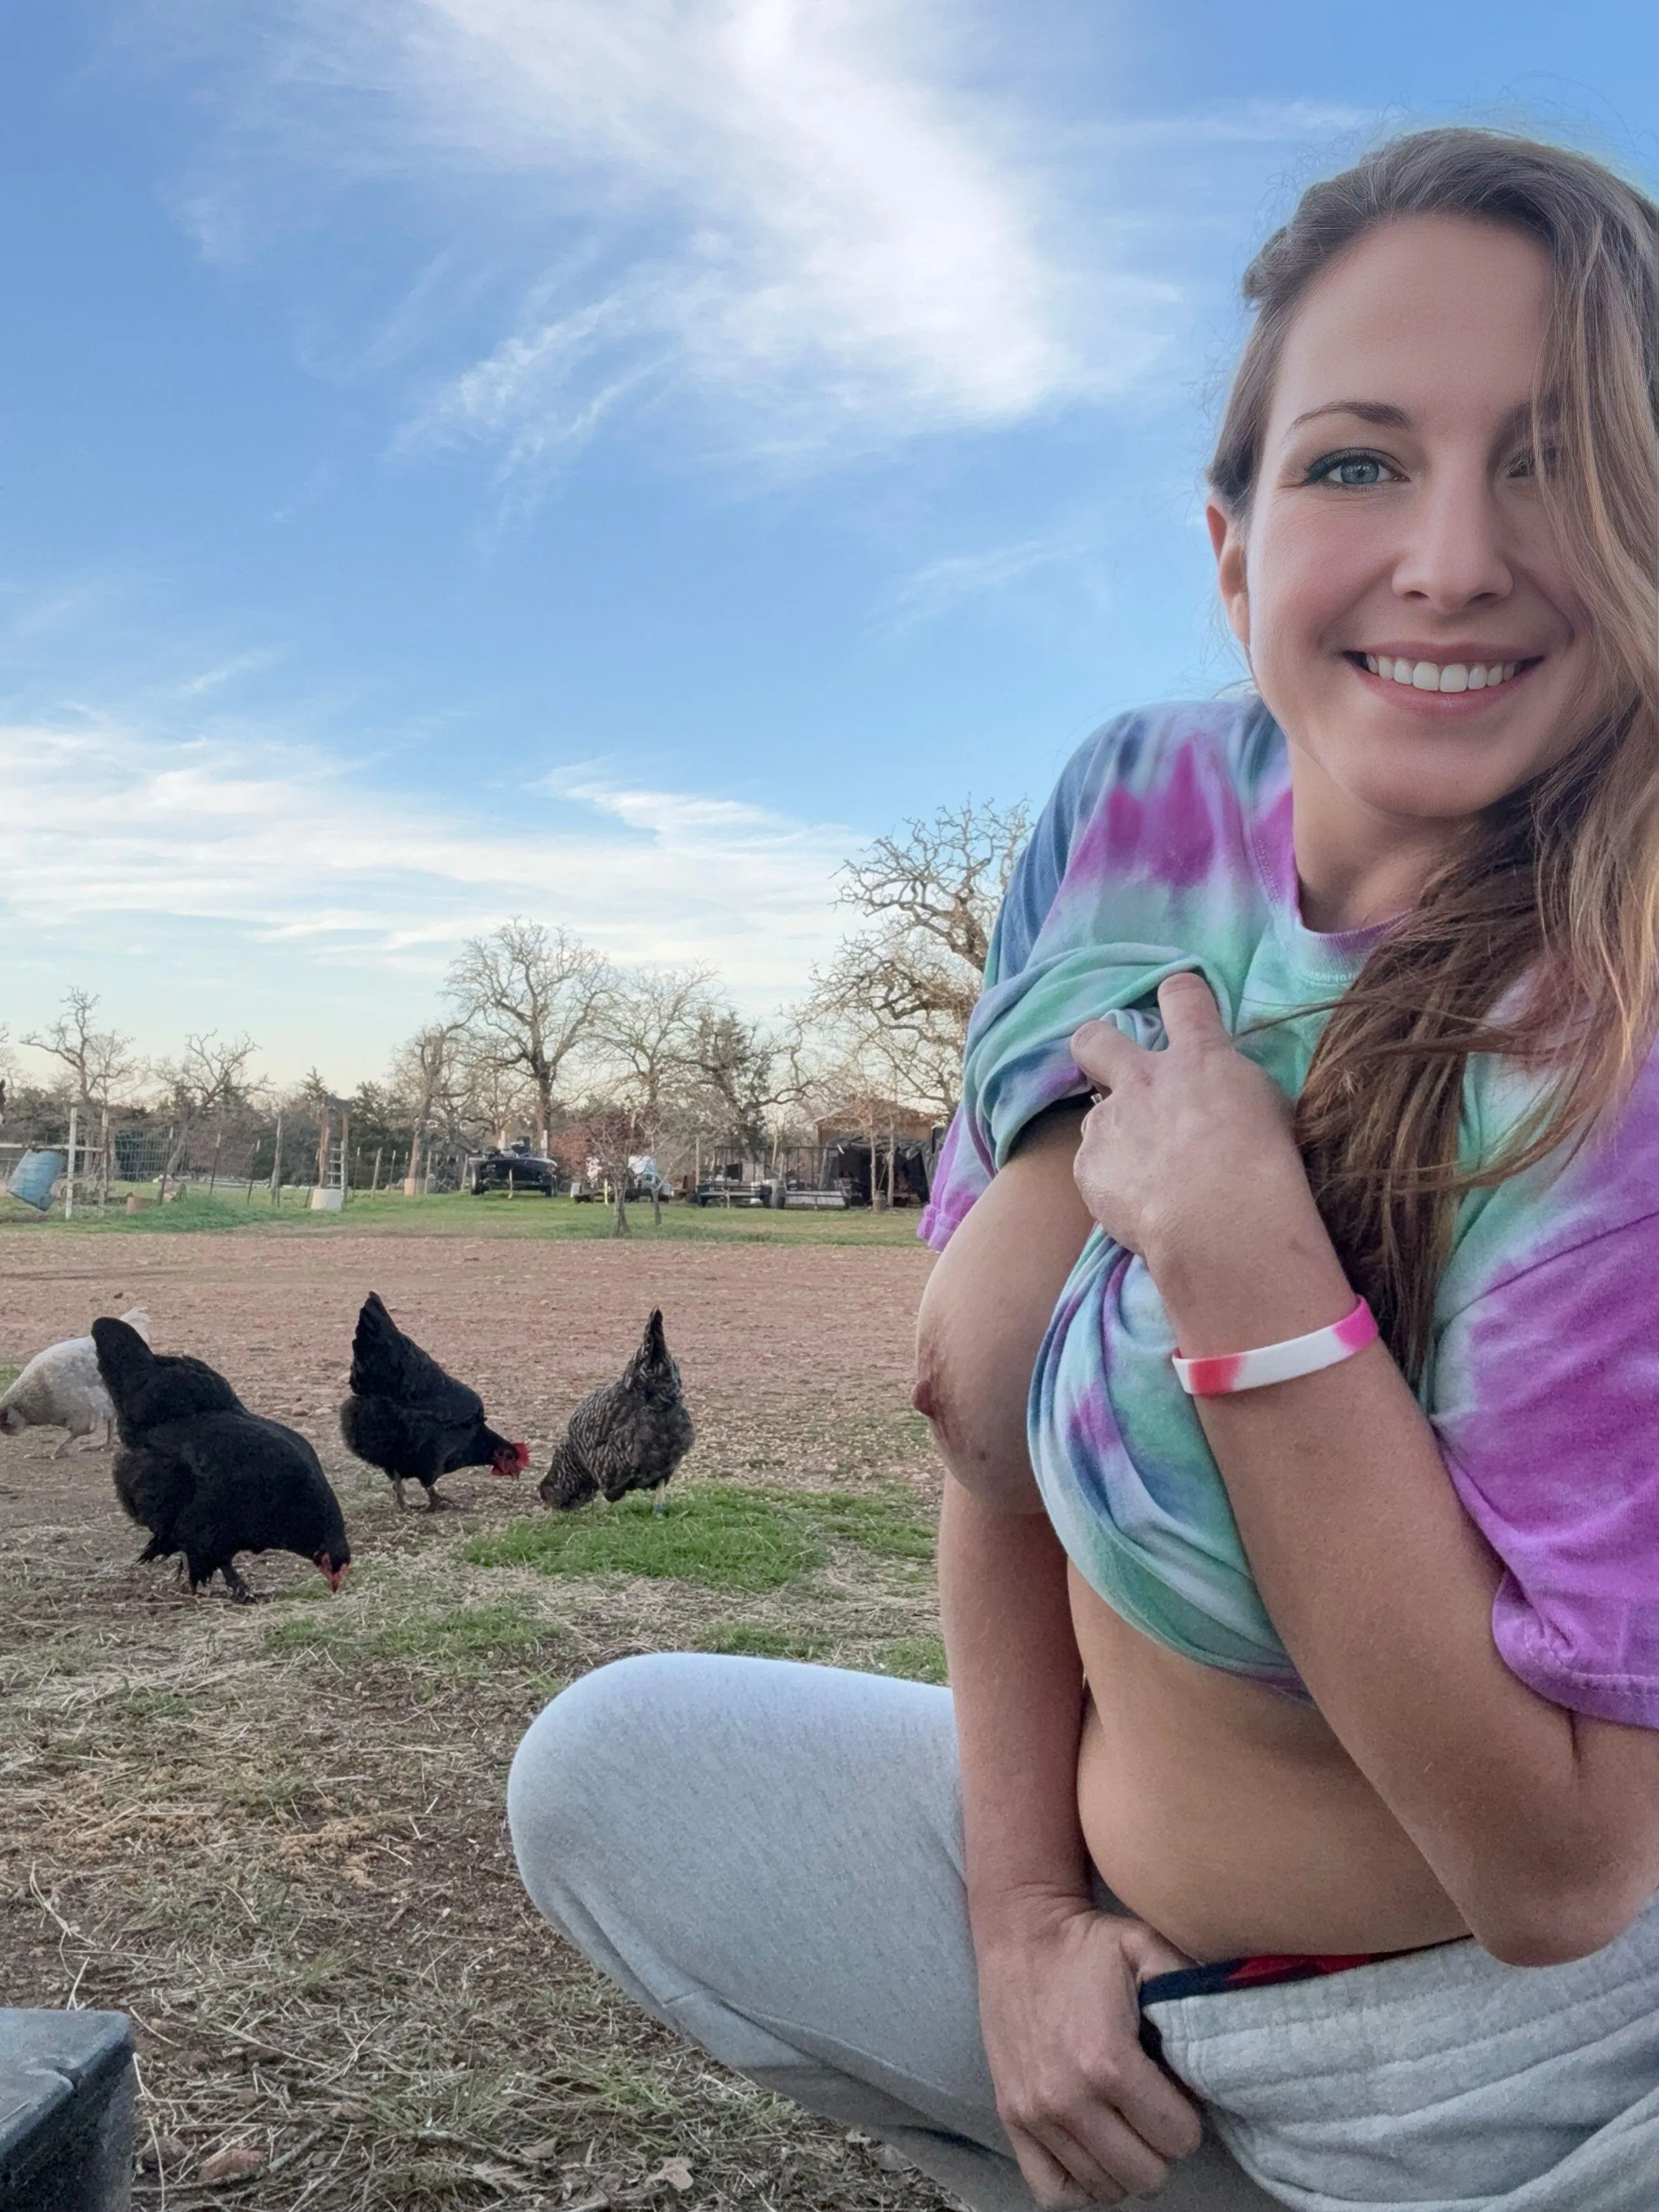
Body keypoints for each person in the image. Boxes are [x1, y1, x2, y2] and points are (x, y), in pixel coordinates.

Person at [506, 128, 1659, 2209]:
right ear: (1232, 546)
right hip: (1140, 1967)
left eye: (1556, 461)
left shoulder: (1622, 1018)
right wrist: (1022, 1919)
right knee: (609, 1774)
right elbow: (985, 1449)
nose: (1453, 557)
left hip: (1515, 2079)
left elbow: (1557, 1871)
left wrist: (1252, 1281)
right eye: (1359, 460)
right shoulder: (1133, 811)